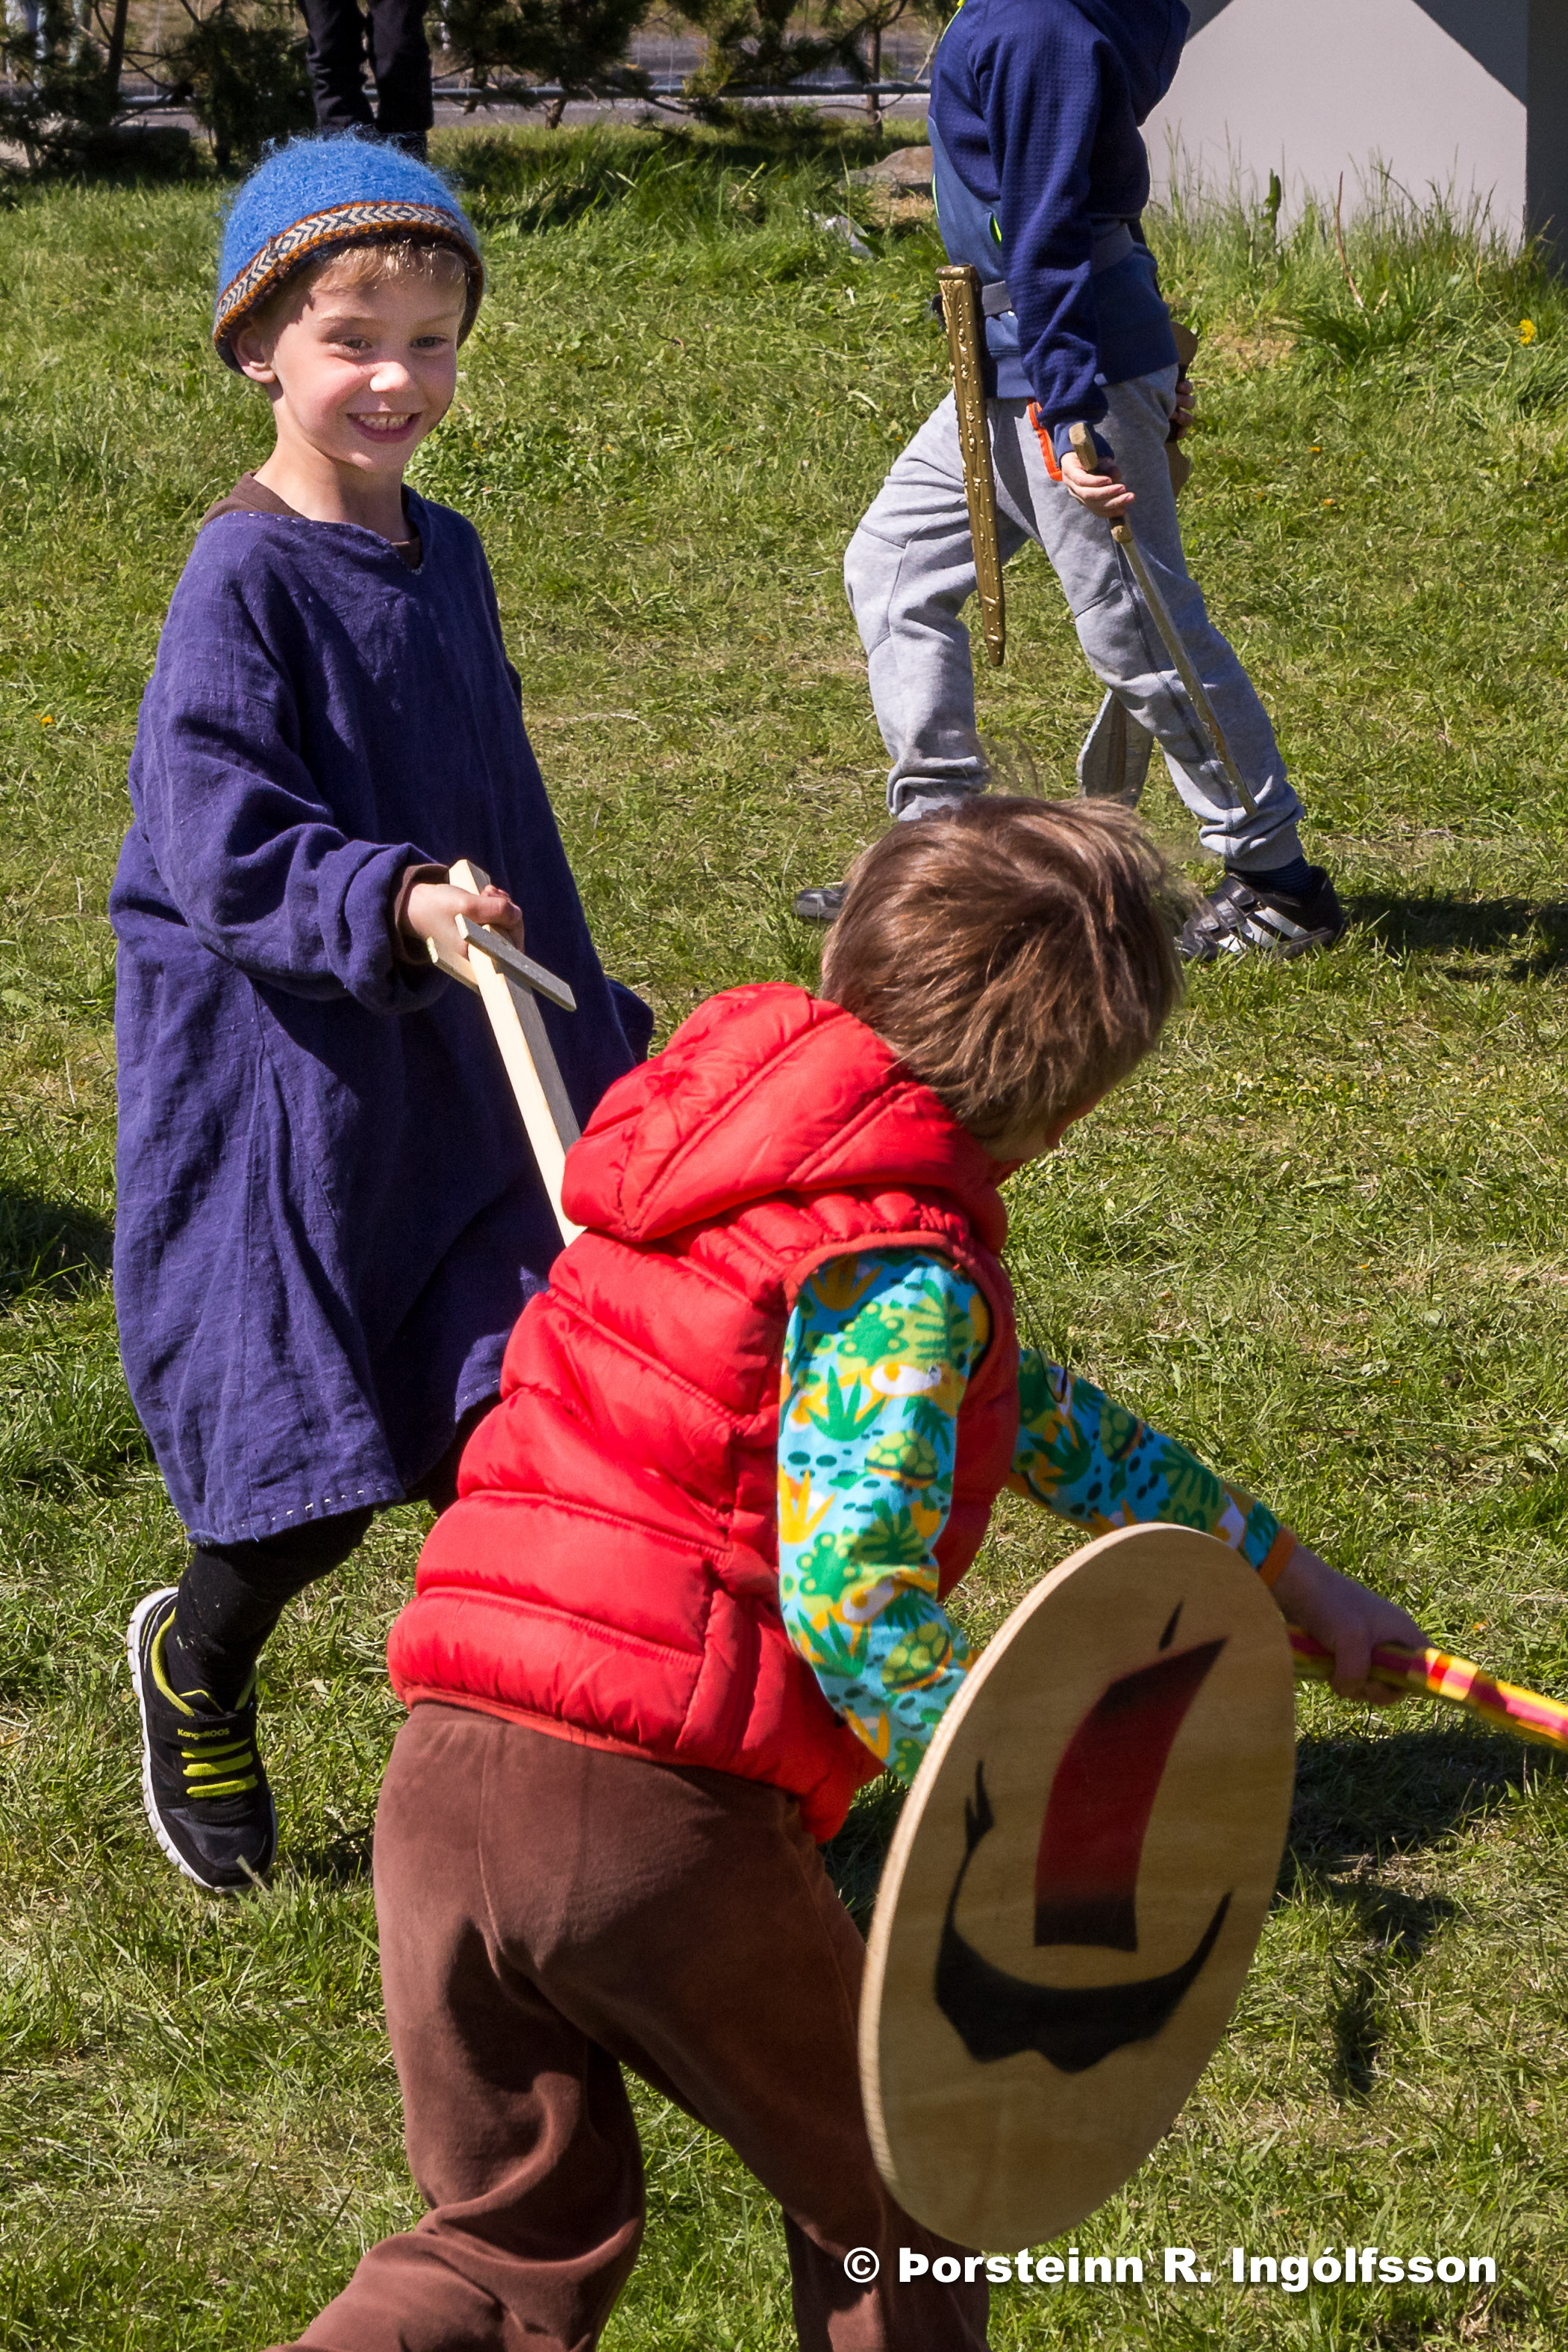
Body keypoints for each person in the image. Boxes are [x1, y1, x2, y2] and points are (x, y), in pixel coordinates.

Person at [276, 798, 1423, 2352]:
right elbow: (852, 1590)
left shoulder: (709, 1162)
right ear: (1060, 1114)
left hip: (442, 1782)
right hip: (646, 1817)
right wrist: (1017, 1783)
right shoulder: (899, 1270)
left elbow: (1042, 1426)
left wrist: (1292, 1582)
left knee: (505, 2243)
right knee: (908, 2200)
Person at [116, 133, 651, 1896]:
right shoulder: (244, 580)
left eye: (431, 339)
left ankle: (536, 1798)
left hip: (464, 1072)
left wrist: (587, 1036)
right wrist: (384, 901)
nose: (397, 378)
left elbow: (495, 798)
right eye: (354, 337)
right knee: (305, 1480)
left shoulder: (452, 555)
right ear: (259, 344)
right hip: (290, 1085)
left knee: (519, 1426)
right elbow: (217, 831)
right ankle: (200, 1661)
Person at [794, 0, 1345, 966]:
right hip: (1005, 362)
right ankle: (941, 847)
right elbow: (1100, 198)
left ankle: (1276, 878)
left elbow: (1047, 224)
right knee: (892, 564)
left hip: (1059, 367)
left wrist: (1074, 405)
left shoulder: (1038, 24)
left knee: (1140, 631)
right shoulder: (1027, 15)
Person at [301, 0, 434, 160]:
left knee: (399, 45)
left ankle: (407, 154)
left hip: (404, 119)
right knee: (328, 43)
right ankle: (345, 150)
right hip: (340, 114)